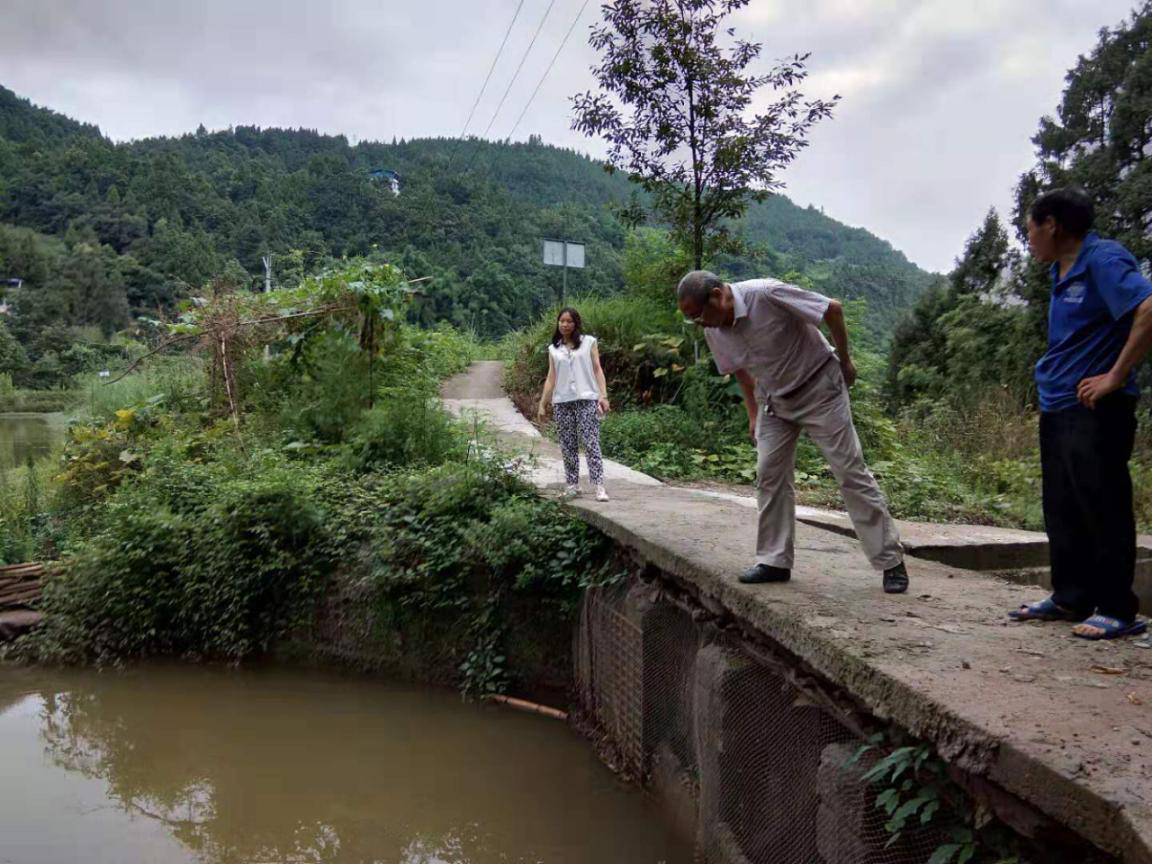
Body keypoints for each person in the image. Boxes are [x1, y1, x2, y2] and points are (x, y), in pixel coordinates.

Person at [677, 271, 908, 593]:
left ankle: (890, 561)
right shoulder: (713, 328)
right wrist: (753, 413)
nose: (698, 323)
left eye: (698, 314)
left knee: (849, 470)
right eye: (691, 319)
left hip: (819, 387)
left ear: (718, 295)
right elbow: (741, 371)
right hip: (774, 400)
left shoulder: (767, 294)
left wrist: (845, 360)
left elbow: (833, 309)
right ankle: (774, 561)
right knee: (769, 473)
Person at [1009, 187, 1151, 640]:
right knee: (1062, 506)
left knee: (1102, 506)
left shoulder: (1103, 260)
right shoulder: (1062, 269)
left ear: (1051, 223)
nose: (1028, 238)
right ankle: (1071, 597)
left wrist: (1113, 376)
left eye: (1030, 229)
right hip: (1059, 405)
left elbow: (1148, 308)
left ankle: (1116, 608)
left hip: (1097, 408)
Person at [537, 307, 611, 502]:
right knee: (568, 445)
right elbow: (551, 378)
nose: (565, 324)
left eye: (569, 321)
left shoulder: (588, 343)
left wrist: (603, 395)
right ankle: (572, 485)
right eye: (562, 321)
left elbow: (597, 369)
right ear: (558, 323)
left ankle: (599, 486)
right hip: (562, 402)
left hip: (587, 399)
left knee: (591, 442)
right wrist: (542, 403)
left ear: (576, 323)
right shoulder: (554, 349)